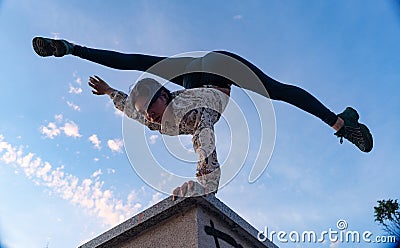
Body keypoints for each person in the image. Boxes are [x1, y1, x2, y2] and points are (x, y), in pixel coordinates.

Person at [32, 37, 373, 198]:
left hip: (219, 71)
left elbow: (205, 149)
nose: (153, 116)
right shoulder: (152, 117)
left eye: (154, 106)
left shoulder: (195, 116)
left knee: (274, 91)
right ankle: (70, 49)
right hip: (198, 74)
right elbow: (131, 109)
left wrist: (204, 185)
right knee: (143, 66)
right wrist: (110, 93)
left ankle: (342, 124)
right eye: (149, 112)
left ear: (165, 95)